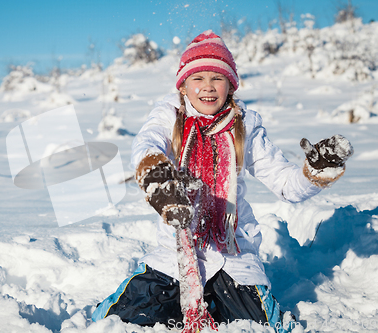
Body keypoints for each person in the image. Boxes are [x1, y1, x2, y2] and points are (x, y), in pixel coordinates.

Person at [92, 30, 353, 331]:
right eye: (197, 78)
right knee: (117, 322)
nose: (208, 87)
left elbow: (286, 184)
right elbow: (146, 145)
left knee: (261, 327)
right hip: (175, 254)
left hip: (232, 256)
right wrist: (158, 177)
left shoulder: (246, 125)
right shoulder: (169, 116)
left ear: (230, 85)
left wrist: (315, 171)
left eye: (217, 78)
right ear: (184, 85)